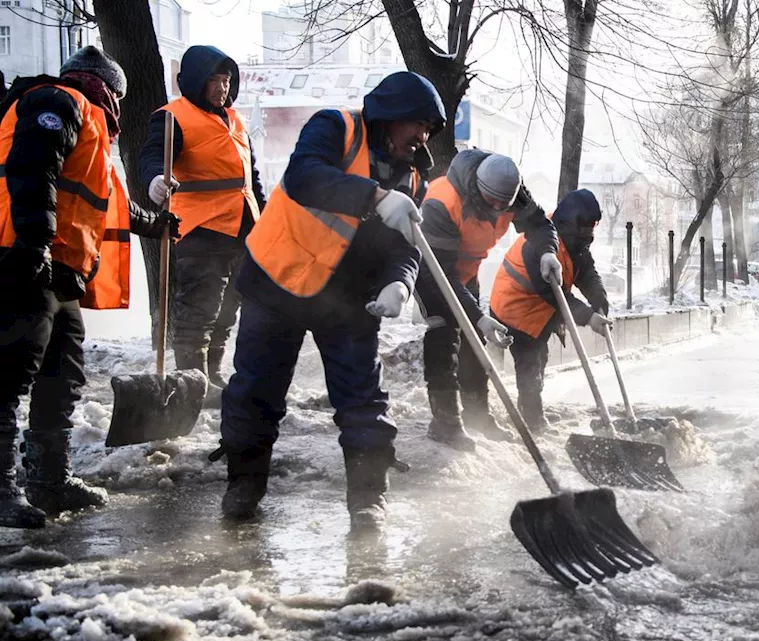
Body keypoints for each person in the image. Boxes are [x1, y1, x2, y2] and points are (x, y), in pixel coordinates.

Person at [217, 71, 445, 532]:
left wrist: (399, 283)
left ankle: (367, 498)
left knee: (363, 400)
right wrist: (376, 196)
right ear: (390, 115)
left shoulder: (415, 175)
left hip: (347, 301)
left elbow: (405, 245)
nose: (423, 136)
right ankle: (243, 485)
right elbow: (304, 177)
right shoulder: (336, 127)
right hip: (277, 282)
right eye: (417, 124)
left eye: (428, 128)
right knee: (255, 392)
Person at [0, 47, 178, 528]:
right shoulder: (58, 103)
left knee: (63, 373)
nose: (118, 105)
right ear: (107, 88)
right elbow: (33, 170)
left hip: (60, 270)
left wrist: (155, 224)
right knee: (11, 374)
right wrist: (35, 241)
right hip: (23, 257)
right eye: (118, 96)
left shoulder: (94, 130)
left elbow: (109, 204)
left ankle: (48, 479)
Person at [139, 46, 266, 390]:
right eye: (214, 80)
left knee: (226, 310)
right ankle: (191, 383)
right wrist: (154, 181)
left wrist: (265, 217)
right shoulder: (171, 117)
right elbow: (152, 155)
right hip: (201, 229)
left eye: (226, 81)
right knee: (199, 311)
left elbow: (250, 178)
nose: (222, 88)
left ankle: (211, 375)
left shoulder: (236, 119)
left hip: (241, 227)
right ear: (196, 81)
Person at [415, 150, 557, 451]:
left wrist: (547, 251)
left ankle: (478, 414)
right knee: (445, 334)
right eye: (490, 202)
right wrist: (477, 315)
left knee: (474, 340)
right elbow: (440, 273)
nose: (496, 210)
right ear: (477, 189)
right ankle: (446, 423)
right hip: (431, 270)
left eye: (502, 205)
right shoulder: (442, 202)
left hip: (466, 271)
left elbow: (540, 225)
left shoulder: (512, 194)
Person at [489, 189, 611, 432]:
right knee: (530, 365)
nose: (590, 232)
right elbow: (555, 297)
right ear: (570, 222)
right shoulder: (538, 245)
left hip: (539, 311)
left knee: (539, 359)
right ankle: (533, 422)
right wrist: (588, 318)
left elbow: (587, 273)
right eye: (585, 226)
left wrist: (600, 302)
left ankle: (529, 409)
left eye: (593, 227)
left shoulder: (576, 240)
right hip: (514, 310)